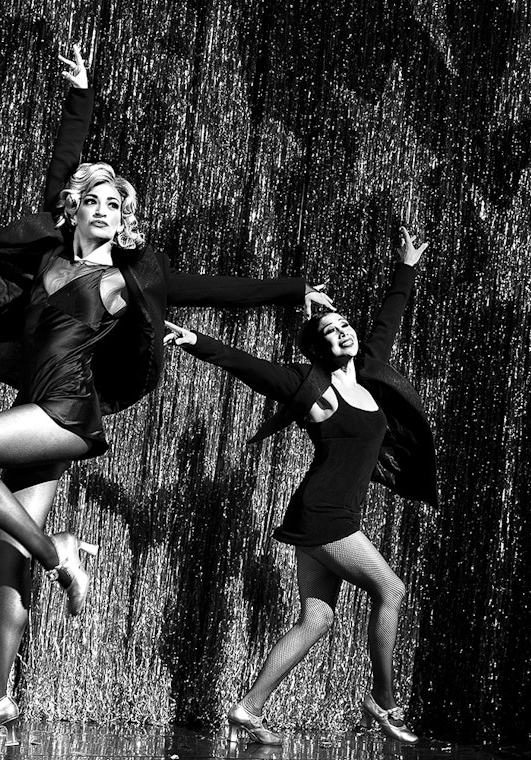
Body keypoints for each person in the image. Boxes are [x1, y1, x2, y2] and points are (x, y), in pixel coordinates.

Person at [0, 44, 332, 754]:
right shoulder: (51, 256)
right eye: (97, 201)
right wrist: (80, 95)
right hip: (34, 410)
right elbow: (61, 169)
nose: (108, 211)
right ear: (75, 210)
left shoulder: (129, 279)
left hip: (64, 415)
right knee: (4, 568)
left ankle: (60, 551)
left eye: (120, 205)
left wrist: (291, 288)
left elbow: (220, 288)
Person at [164, 226, 436, 745]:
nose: (344, 334)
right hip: (325, 516)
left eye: (345, 326)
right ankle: (383, 701)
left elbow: (386, 323)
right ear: (318, 347)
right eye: (331, 332)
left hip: (318, 516)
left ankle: (248, 708)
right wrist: (194, 340)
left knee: (316, 618)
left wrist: (406, 266)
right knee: (392, 589)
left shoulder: (371, 375)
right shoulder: (311, 388)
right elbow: (250, 367)